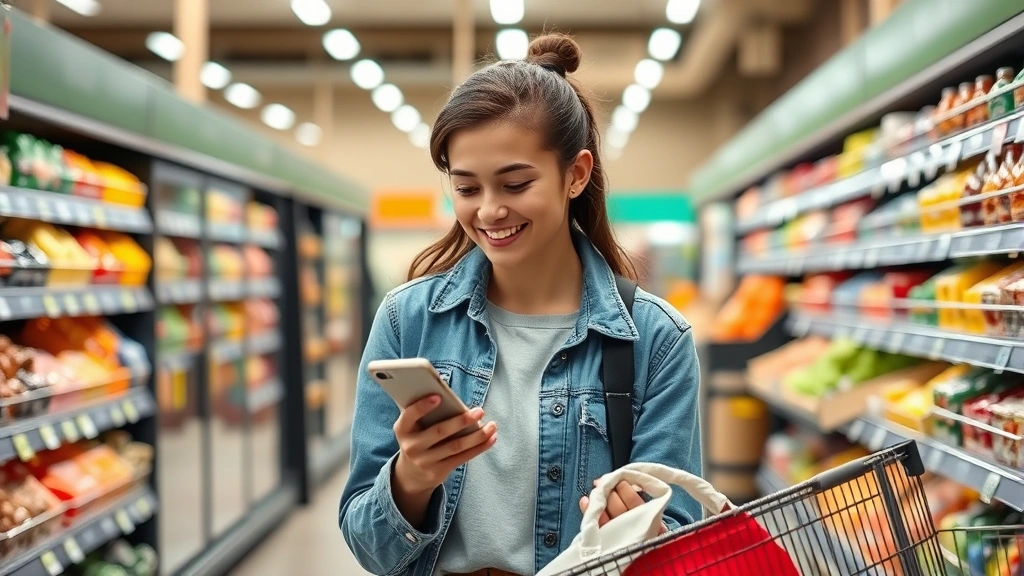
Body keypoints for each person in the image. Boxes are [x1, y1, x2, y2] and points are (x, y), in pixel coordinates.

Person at [340, 32, 702, 576]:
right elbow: (369, 549)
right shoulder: (406, 321)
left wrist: (644, 541)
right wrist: (412, 479)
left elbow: (682, 540)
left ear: (575, 174)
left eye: (514, 184)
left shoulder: (654, 340)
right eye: (466, 189)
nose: (489, 211)